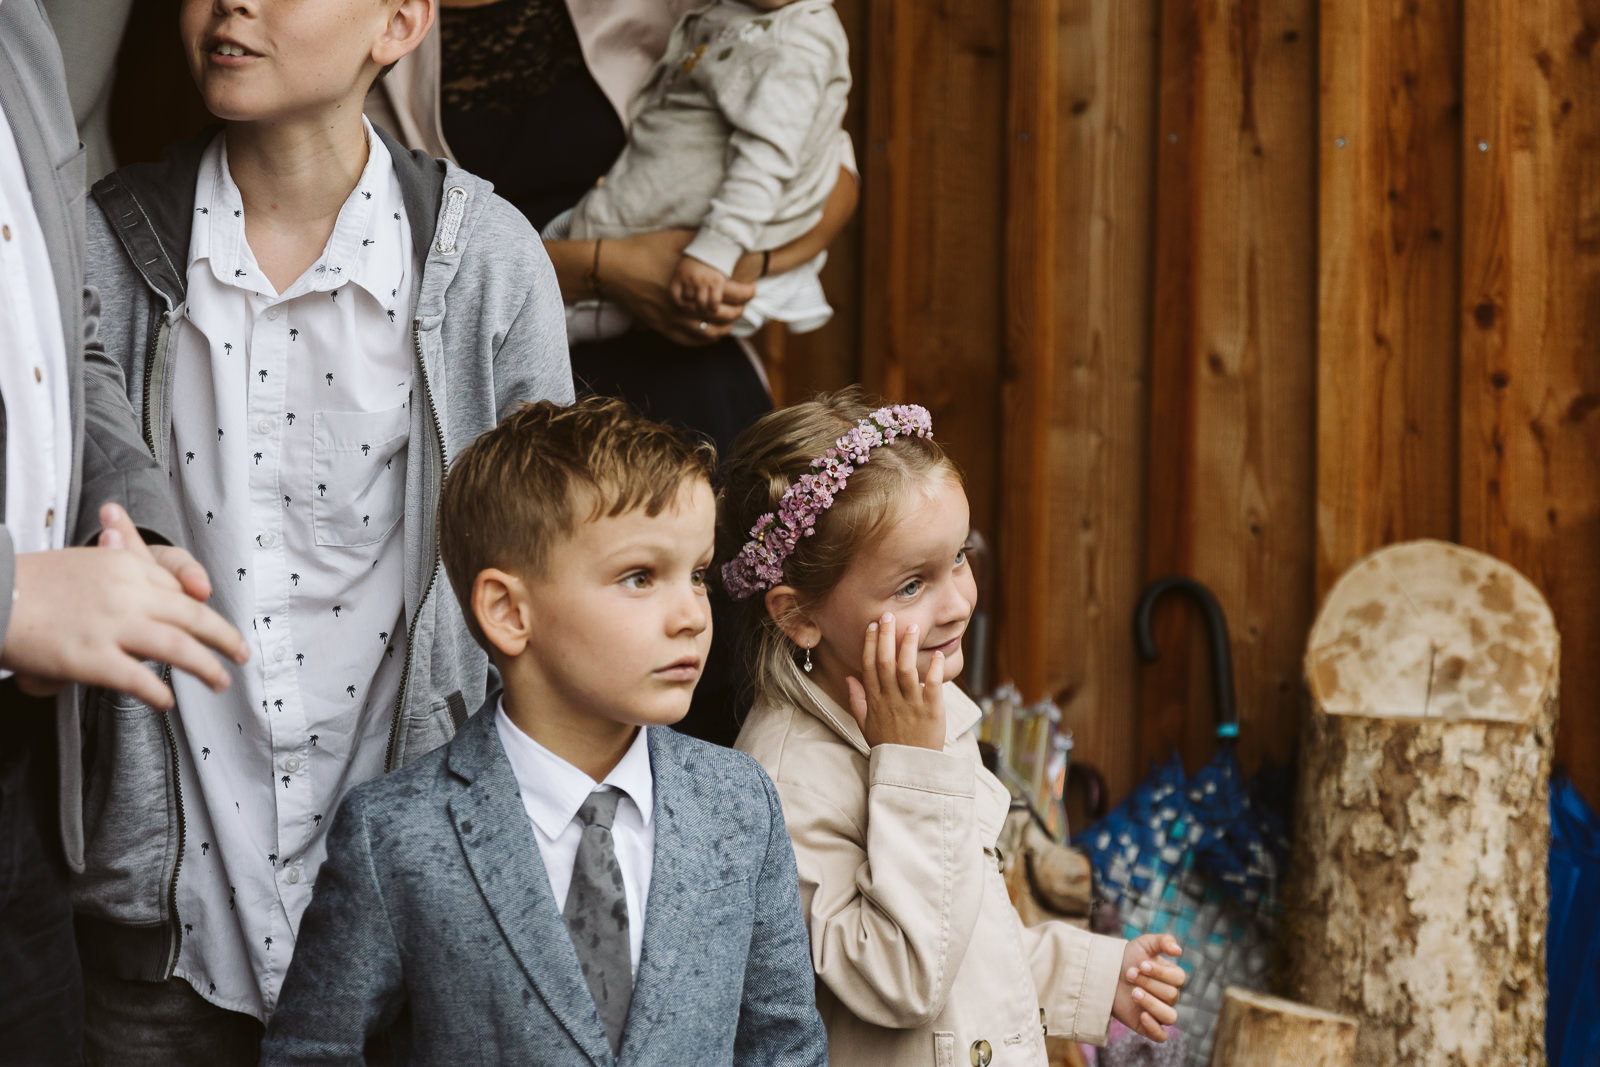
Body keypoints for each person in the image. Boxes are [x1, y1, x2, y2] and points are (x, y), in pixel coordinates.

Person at [72, 0, 573, 1058]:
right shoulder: (101, 249)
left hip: (419, 932)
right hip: (165, 936)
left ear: (399, 24)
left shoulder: (487, 266)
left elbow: (557, 595)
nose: (231, 2)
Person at [262, 397, 828, 1065]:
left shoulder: (740, 802)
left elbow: (784, 1047)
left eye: (698, 574)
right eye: (640, 576)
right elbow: (311, 1052)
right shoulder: (394, 835)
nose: (693, 616)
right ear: (509, 611)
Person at [723, 392, 1188, 1065]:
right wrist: (912, 770)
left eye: (960, 558)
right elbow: (903, 978)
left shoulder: (922, 707)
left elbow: (960, 928)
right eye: (912, 585)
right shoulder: (786, 784)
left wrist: (1091, 976)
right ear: (799, 615)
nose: (957, 603)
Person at [0, 1, 249, 1061]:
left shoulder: (21, 31)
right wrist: (13, 596)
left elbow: (67, 333)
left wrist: (131, 521)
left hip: (28, 769)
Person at [551, 0, 849, 344]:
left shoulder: (796, 45)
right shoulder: (744, 12)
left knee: (564, 316)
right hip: (637, 213)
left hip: (691, 237)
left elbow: (767, 161)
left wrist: (717, 250)